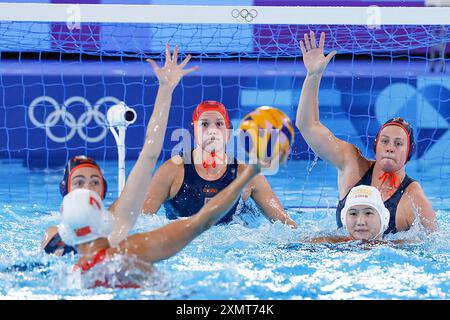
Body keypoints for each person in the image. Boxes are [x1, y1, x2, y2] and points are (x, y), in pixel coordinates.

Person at [41, 43, 199, 255]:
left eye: (94, 181)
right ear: (66, 190)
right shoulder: (52, 235)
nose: (88, 187)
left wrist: (165, 90)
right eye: (79, 182)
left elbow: (149, 154)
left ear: (103, 190)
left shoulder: (117, 220)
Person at [295, 31, 437, 235]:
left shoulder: (413, 198)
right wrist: (313, 75)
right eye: (385, 141)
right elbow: (307, 125)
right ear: (375, 146)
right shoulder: (352, 163)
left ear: (409, 152)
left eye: (398, 144)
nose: (389, 147)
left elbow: (437, 245)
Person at [58, 161, 265, 288]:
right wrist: (249, 172)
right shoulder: (130, 250)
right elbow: (203, 221)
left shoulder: (68, 276)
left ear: (66, 234)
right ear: (105, 221)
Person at [141, 100, 297, 227]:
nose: (212, 130)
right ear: (194, 130)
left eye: (219, 124)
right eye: (204, 124)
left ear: (228, 132)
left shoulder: (247, 174)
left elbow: (285, 226)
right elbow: (141, 223)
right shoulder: (172, 171)